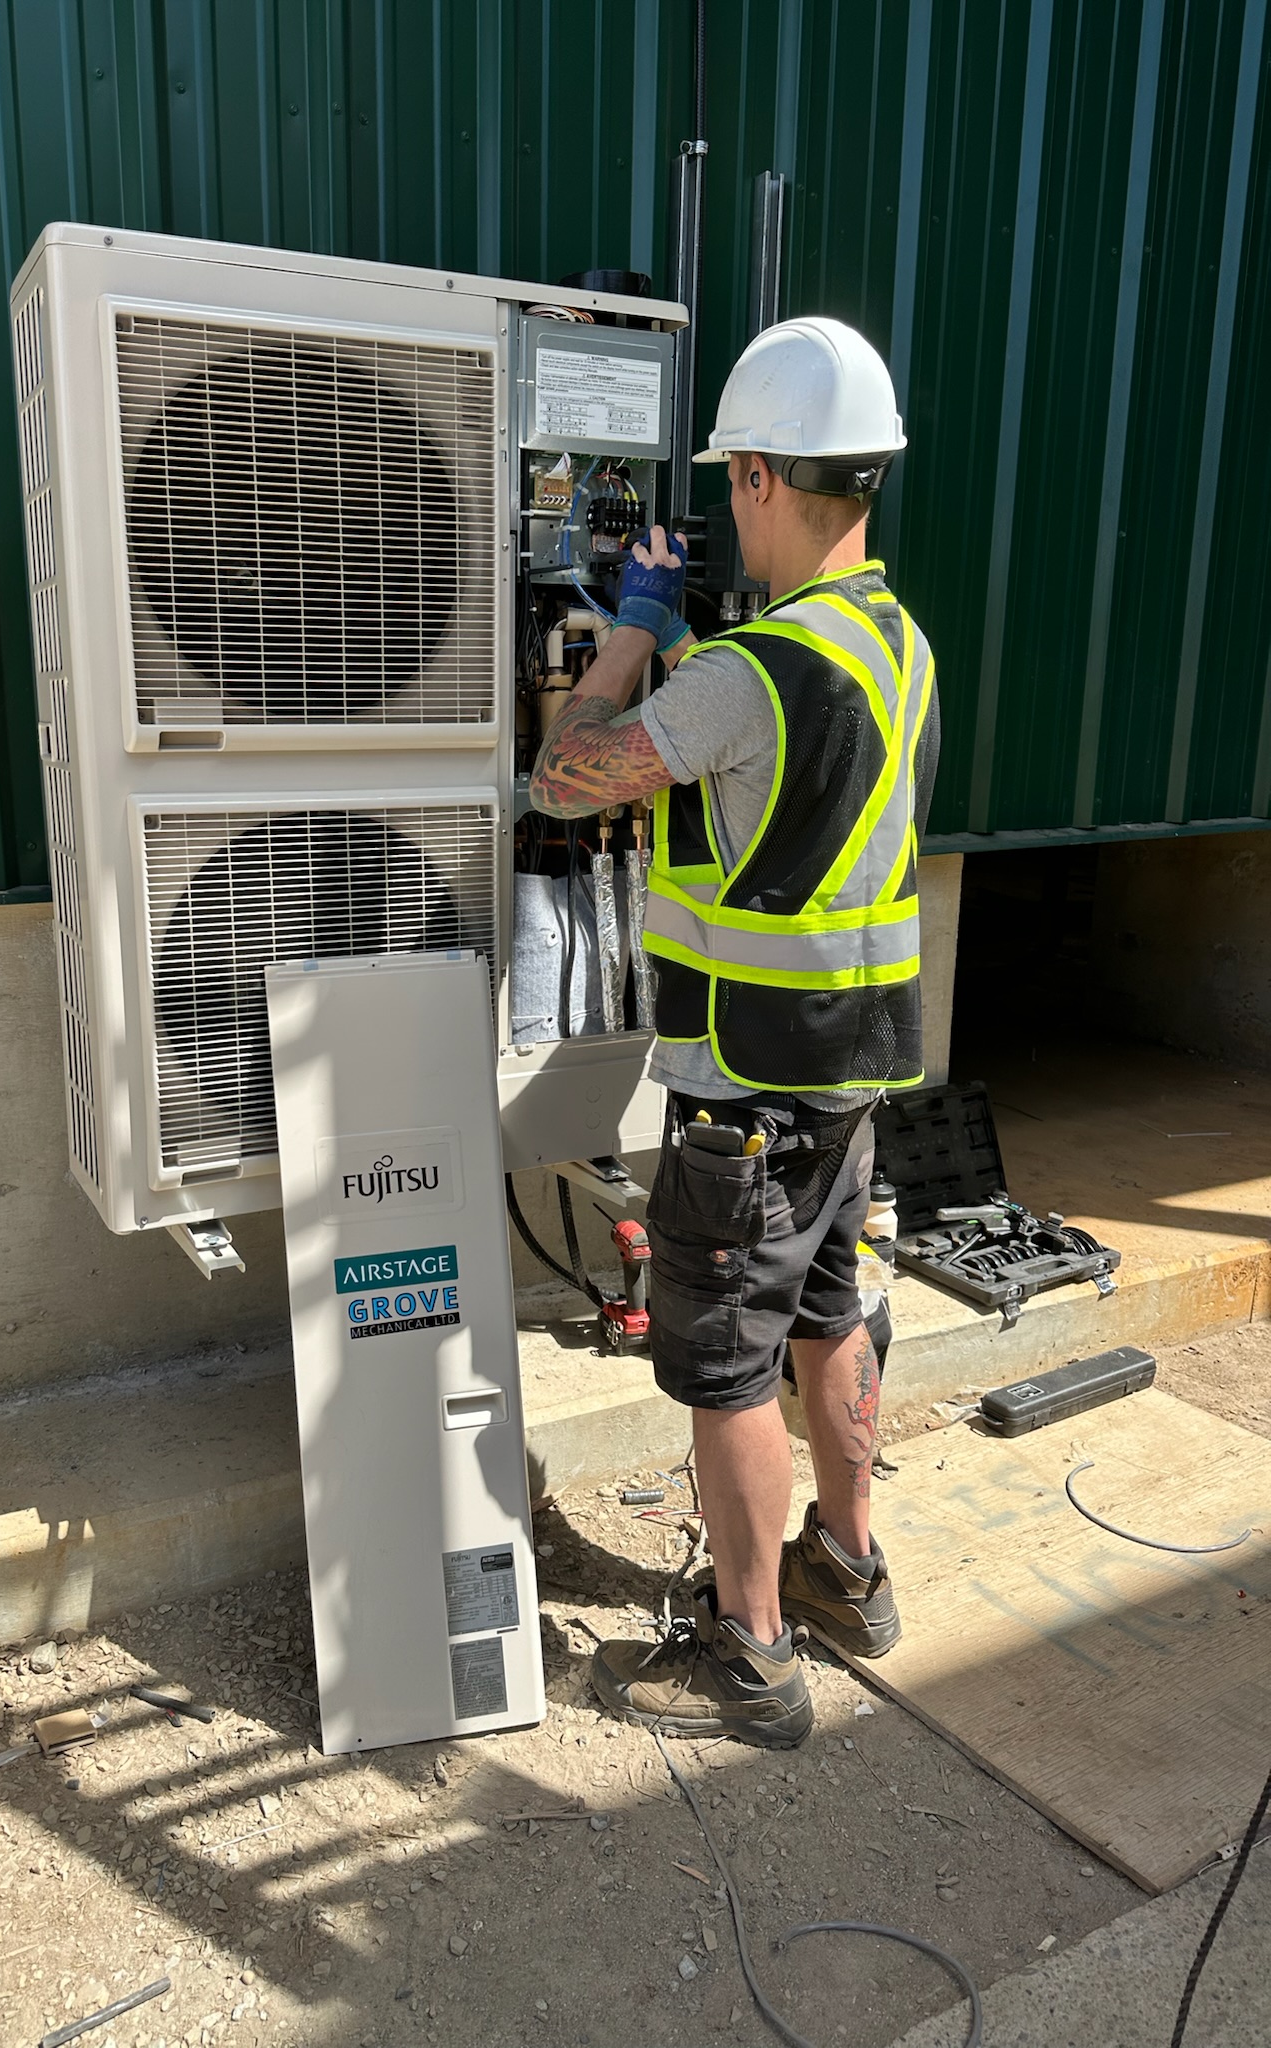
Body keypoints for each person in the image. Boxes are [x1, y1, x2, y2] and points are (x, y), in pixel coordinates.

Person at [529, 316, 939, 1748]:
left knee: (724, 1370)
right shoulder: (891, 644)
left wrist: (632, 629)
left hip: (742, 1095)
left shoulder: (740, 678)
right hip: (851, 1076)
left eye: (733, 480)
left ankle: (754, 1649)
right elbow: (790, 799)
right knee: (835, 1313)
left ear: (760, 472)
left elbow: (570, 779)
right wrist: (694, 645)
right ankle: (849, 1569)